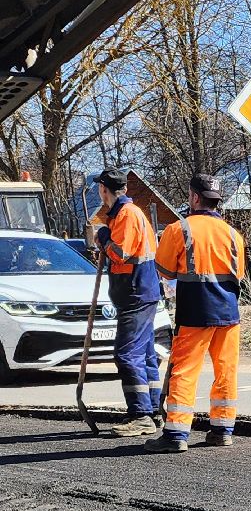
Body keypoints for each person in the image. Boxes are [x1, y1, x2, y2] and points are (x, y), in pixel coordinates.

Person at [148, 174, 246, 454]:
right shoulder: (233, 234)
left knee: (184, 371)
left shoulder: (179, 230)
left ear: (194, 197)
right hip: (228, 313)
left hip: (194, 311)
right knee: (225, 371)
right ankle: (222, 430)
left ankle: (175, 434)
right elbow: (238, 274)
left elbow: (165, 270)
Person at [93, 170, 162, 436]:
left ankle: (141, 415)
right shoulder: (126, 214)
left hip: (136, 293)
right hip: (139, 292)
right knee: (144, 355)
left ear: (104, 189)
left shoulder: (126, 215)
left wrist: (103, 237)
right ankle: (153, 411)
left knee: (127, 354)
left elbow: (120, 253)